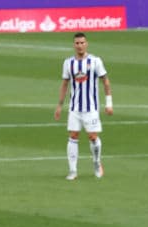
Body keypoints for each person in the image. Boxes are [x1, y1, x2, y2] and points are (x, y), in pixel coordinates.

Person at [54, 32, 113, 181]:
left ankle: (96, 163)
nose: (79, 46)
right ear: (74, 45)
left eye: (82, 43)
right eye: (77, 43)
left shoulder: (95, 61)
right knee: (73, 136)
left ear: (86, 44)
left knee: (93, 137)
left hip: (91, 108)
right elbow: (64, 84)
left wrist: (109, 103)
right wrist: (60, 105)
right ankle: (73, 170)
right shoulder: (68, 63)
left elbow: (105, 81)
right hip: (74, 108)